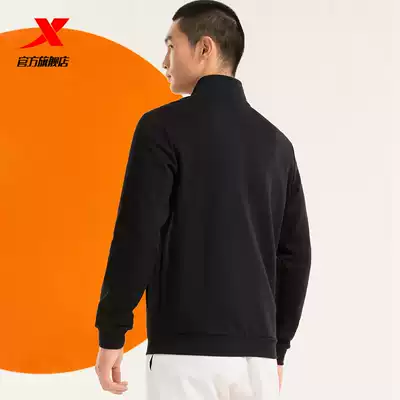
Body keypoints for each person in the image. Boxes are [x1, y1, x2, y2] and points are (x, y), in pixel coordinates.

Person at [94, 1, 312, 398]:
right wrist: (276, 348)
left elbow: (138, 235)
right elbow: (295, 255)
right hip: (256, 361)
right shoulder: (277, 146)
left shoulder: (161, 128)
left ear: (204, 48)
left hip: (183, 355)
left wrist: (112, 331)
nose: (164, 61)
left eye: (171, 46)